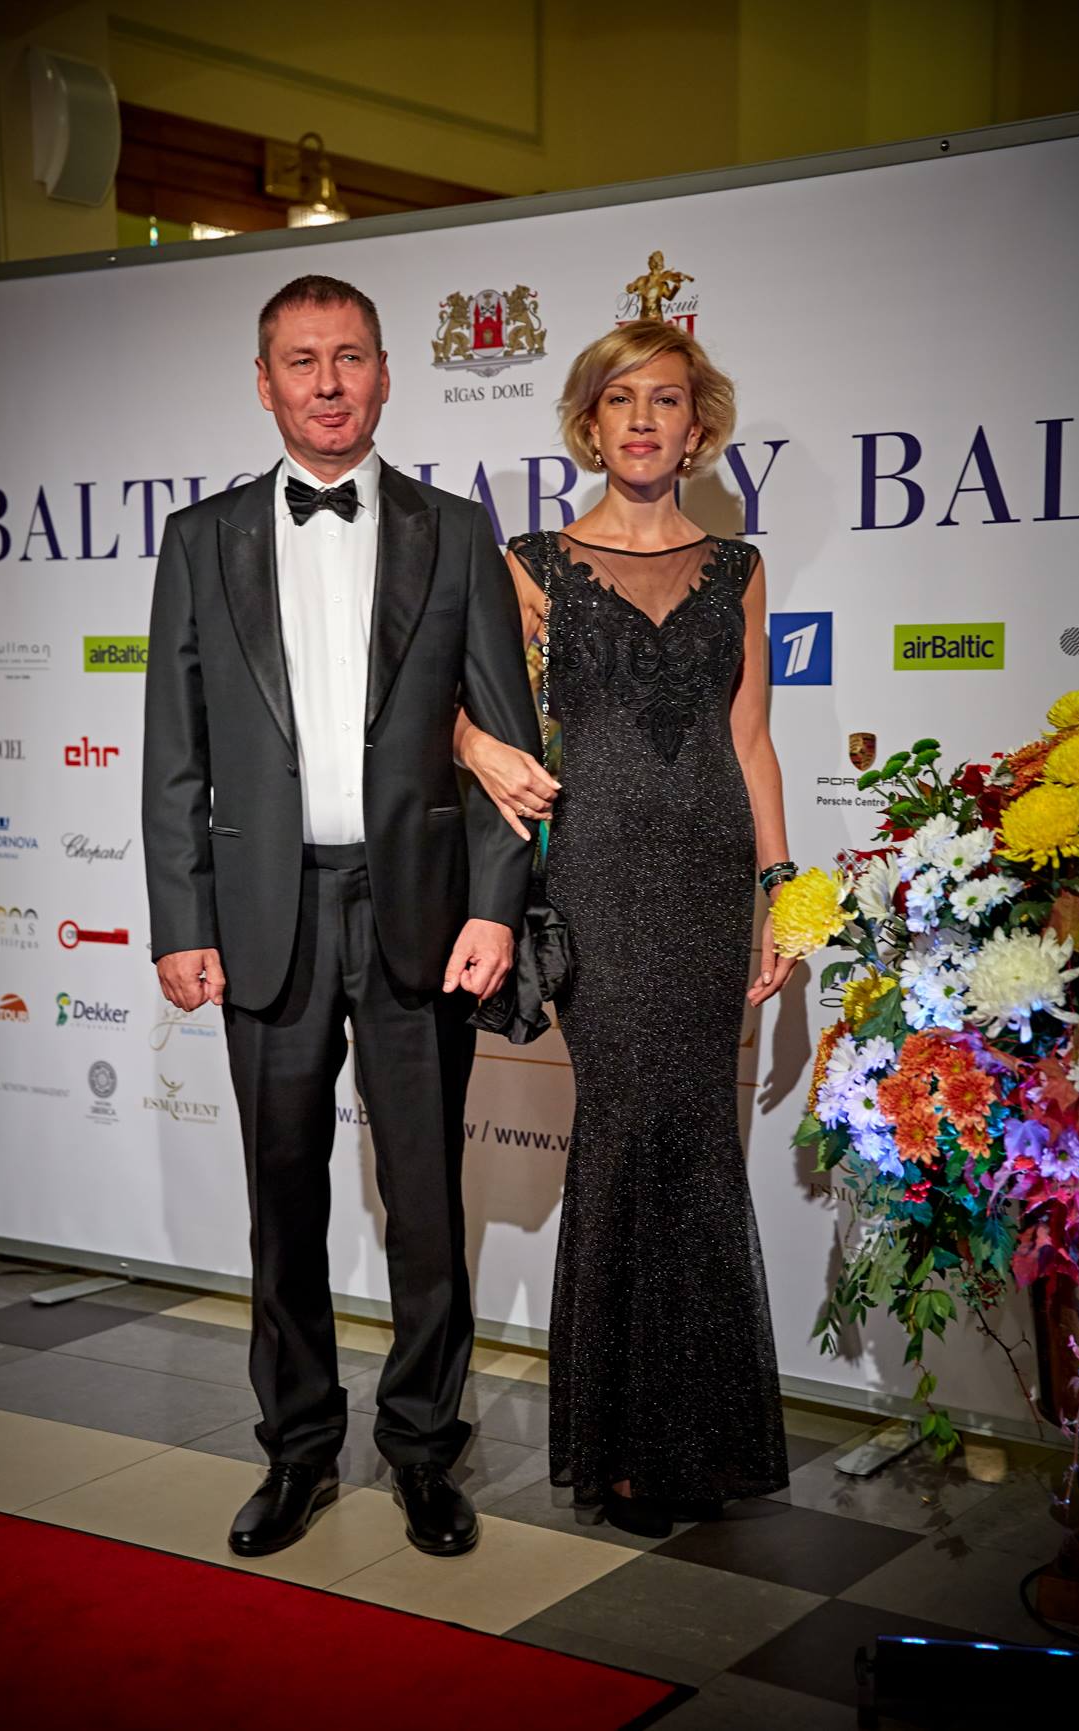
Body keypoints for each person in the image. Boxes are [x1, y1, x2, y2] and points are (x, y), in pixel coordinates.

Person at [142, 274, 540, 1559]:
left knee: (424, 1200)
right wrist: (179, 919)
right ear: (263, 383)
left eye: (350, 356)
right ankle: (297, 1449)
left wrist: (496, 906)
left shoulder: (455, 533)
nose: (327, 382)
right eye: (301, 360)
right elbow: (174, 755)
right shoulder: (200, 540)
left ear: (384, 374)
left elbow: (504, 745)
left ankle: (424, 1450)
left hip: (419, 907)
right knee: (280, 1199)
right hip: (266, 915)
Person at [455, 320, 797, 1537]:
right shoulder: (530, 562)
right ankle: (619, 1442)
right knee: (624, 1127)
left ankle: (695, 1438)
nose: (642, 420)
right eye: (619, 400)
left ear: (696, 426)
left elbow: (748, 738)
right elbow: (452, 706)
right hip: (595, 871)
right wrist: (477, 747)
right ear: (588, 424)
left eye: (664, 399)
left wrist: (780, 885)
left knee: (695, 1137)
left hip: (707, 872)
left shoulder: (735, 566)